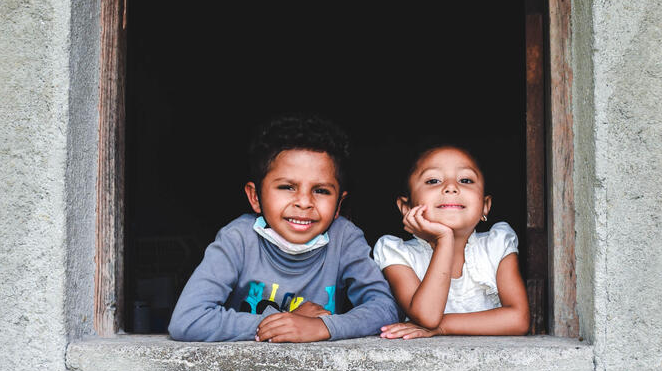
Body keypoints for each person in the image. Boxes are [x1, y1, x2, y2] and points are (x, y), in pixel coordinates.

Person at [168, 115, 399, 342]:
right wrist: (283, 322)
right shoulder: (238, 239)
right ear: (255, 197)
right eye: (287, 187)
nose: (304, 202)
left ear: (339, 204)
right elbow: (187, 320)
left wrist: (322, 327)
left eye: (321, 191)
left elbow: (384, 309)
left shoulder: (344, 238)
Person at [373, 145, 530, 338]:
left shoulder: (497, 245)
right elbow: (427, 317)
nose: (451, 187)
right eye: (433, 180)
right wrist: (444, 240)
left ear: (485, 206)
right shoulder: (397, 253)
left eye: (465, 180)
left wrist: (442, 327)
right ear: (406, 207)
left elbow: (519, 320)